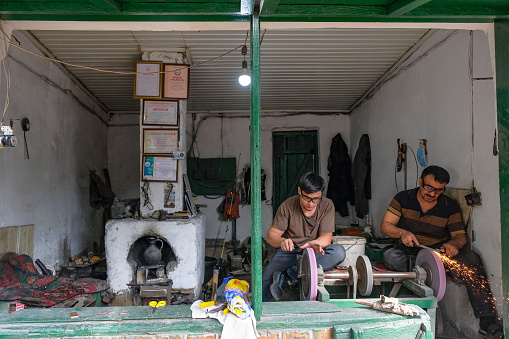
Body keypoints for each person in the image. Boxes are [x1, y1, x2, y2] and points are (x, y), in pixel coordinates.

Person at [381, 165, 503, 338]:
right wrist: (402, 233)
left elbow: (460, 237)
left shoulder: (449, 207)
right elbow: (385, 226)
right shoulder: (403, 199)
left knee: (472, 258)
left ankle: (487, 321)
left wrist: (453, 244)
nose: (432, 194)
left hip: (437, 255)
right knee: (390, 256)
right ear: (420, 182)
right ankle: (423, 272)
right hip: (409, 252)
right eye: (429, 188)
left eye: (438, 190)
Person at [262, 172, 346, 301]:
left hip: (313, 252)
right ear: (299, 191)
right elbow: (271, 236)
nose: (311, 203)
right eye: (307, 198)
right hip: (290, 251)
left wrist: (315, 243)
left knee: (338, 252)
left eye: (316, 199)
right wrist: (283, 241)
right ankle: (258, 313)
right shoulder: (287, 206)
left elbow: (326, 237)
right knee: (265, 281)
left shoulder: (327, 205)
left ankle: (290, 274)